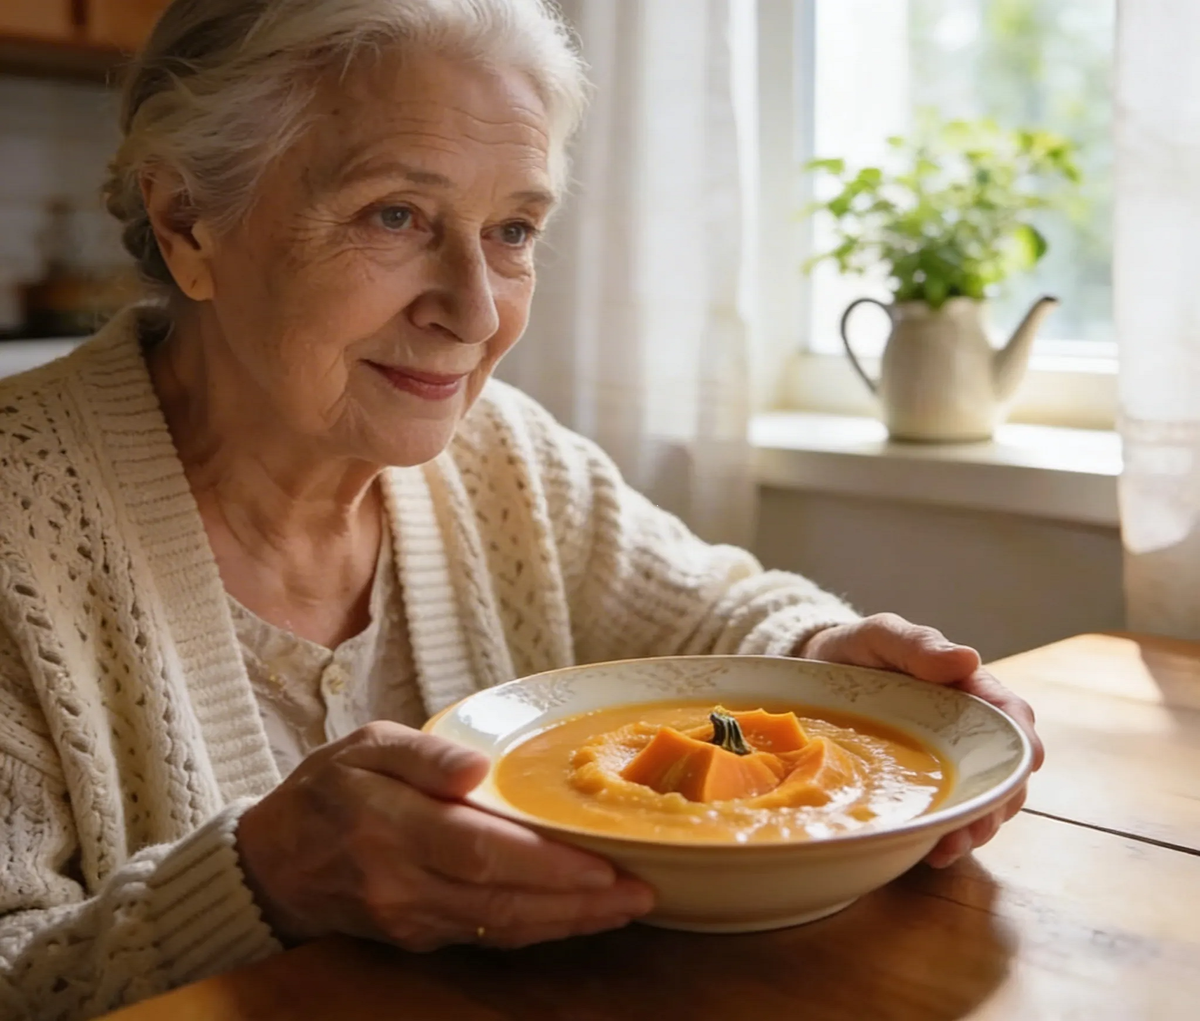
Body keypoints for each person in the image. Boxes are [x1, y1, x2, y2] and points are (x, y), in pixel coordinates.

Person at [0, 1, 1042, 1017]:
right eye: (395, 214)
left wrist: (831, 653)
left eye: (511, 229)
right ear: (189, 221)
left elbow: (719, 619)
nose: (477, 308)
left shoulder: (504, 456)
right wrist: (259, 880)